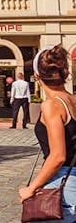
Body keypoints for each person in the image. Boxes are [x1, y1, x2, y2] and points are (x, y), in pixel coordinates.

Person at [19, 45, 76, 220]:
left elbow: (58, 156)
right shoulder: (73, 100)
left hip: (63, 186)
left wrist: (31, 188)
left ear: (37, 77)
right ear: (65, 73)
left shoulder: (52, 105)